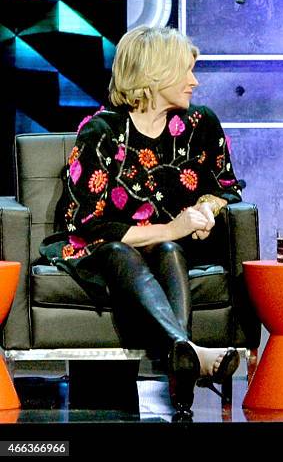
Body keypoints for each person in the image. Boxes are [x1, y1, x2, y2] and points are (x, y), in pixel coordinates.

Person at [41, 26, 242, 418]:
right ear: (154, 74)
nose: (194, 81)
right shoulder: (102, 133)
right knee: (124, 251)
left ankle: (183, 358)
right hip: (99, 250)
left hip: (170, 251)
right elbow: (87, 223)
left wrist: (205, 210)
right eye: (186, 70)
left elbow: (228, 187)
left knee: (168, 249)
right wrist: (172, 227)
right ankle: (187, 353)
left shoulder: (201, 124)